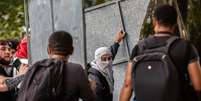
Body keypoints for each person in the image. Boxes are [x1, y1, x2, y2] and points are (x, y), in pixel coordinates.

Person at [120, 5, 201, 101]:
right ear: (175, 23)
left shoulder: (139, 48)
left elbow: (127, 84)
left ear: (155, 21)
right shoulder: (185, 47)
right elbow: (198, 86)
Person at [17, 31, 95, 101]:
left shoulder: (35, 68)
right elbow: (89, 98)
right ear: (72, 50)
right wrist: (92, 88)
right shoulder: (76, 70)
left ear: (49, 49)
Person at [87, 31, 125, 101]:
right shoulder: (95, 79)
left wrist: (117, 41)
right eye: (104, 59)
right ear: (98, 59)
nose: (107, 62)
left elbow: (110, 52)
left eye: (109, 58)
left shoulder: (102, 63)